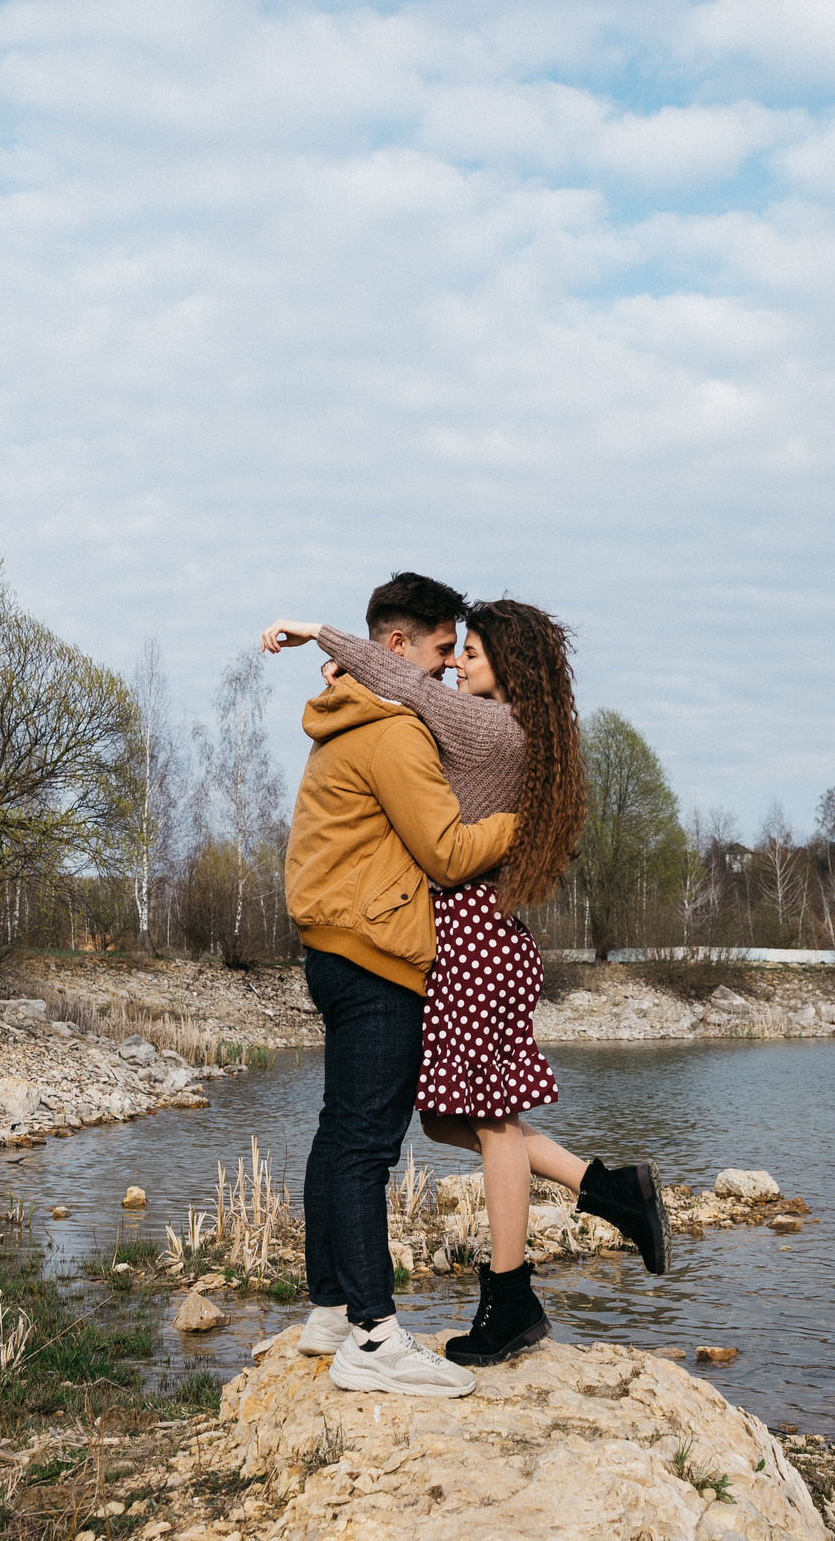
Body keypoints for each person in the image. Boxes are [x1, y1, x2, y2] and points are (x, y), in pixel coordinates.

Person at [264, 593, 671, 1369]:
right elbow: (406, 686)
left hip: (473, 935)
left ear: (507, 667)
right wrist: (358, 669)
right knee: (454, 1121)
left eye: (470, 654)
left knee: (486, 1124)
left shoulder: (491, 726)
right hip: (475, 936)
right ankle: (610, 1189)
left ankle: (511, 1297)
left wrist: (323, 633)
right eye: (454, 651)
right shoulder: (518, 730)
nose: (454, 666)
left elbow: (411, 686)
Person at [280, 572, 516, 1397]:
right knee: (366, 1146)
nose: (449, 670)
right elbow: (448, 851)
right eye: (443, 649)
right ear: (396, 649)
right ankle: (376, 1338)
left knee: (337, 1130)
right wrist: (525, 821)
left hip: (335, 943)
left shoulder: (345, 721)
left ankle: (331, 1310)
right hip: (377, 952)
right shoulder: (393, 732)